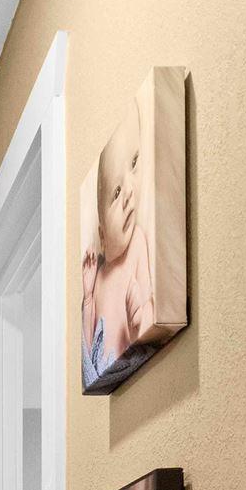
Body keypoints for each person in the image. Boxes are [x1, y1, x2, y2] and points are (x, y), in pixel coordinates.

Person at [81, 133, 153, 392]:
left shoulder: (137, 245)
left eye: (134, 162)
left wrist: (139, 320)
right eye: (116, 192)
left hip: (124, 362)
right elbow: (88, 340)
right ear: (101, 235)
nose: (128, 195)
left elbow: (147, 308)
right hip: (102, 368)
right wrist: (88, 298)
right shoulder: (99, 276)